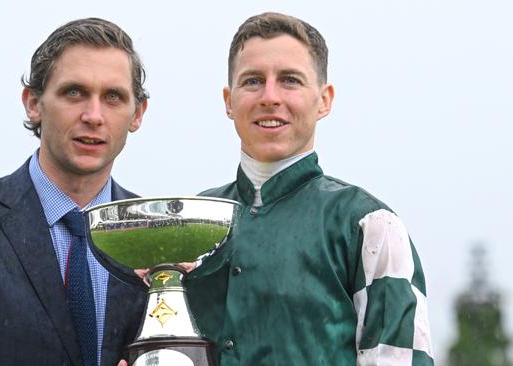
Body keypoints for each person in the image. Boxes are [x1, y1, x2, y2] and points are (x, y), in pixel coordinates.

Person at [185, 12, 435, 365]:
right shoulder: (190, 219)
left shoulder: (371, 224)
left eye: (289, 80)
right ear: (229, 100)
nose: (269, 97)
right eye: (253, 81)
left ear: (324, 100)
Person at [0, 18, 149, 366]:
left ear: (137, 114)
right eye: (74, 92)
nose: (93, 115)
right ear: (33, 103)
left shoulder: (155, 235)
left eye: (113, 97)